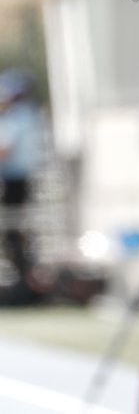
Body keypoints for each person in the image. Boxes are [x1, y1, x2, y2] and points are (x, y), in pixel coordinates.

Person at [0, 69, 43, 302]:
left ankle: (23, 284)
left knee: (15, 232)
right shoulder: (29, 114)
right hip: (20, 179)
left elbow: (5, 149)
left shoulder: (18, 116)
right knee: (17, 233)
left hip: (16, 180)